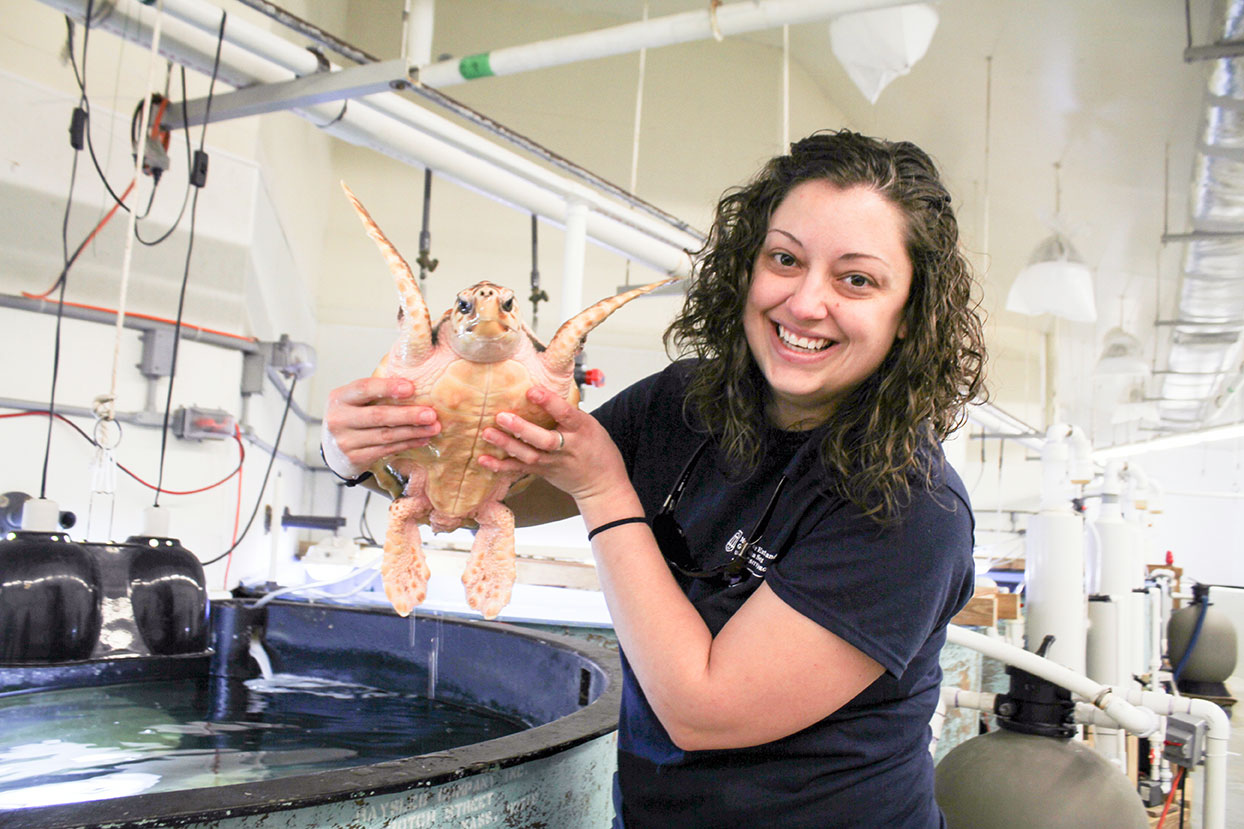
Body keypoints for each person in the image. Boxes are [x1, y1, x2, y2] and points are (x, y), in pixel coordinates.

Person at [322, 129, 987, 828]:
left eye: (857, 279)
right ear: (746, 268)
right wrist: (368, 451)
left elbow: (702, 709)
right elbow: (493, 487)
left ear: (911, 314)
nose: (804, 301)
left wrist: (606, 488)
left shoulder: (914, 509)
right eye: (785, 258)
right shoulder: (683, 401)